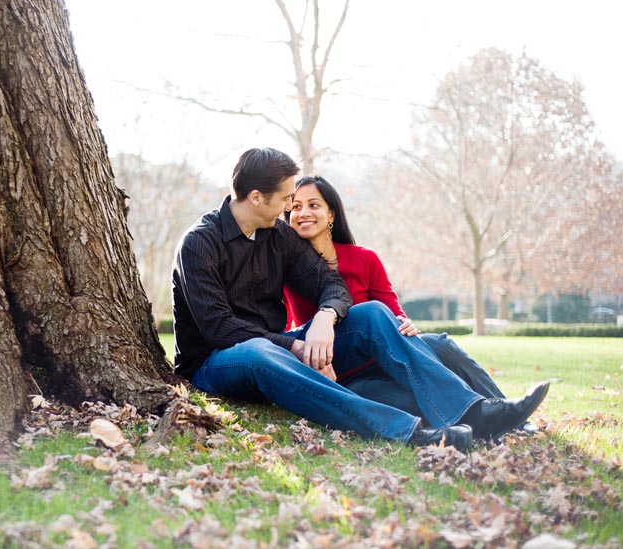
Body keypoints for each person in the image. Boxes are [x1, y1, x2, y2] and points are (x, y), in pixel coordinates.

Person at [172, 147, 548, 453]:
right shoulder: (200, 243)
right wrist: (299, 347)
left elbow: (332, 284)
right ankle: (409, 432)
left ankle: (472, 412)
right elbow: (220, 328)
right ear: (256, 198)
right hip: (216, 362)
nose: (291, 206)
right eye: (287, 198)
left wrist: (324, 317)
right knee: (257, 350)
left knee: (370, 314)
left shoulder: (279, 237)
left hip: (280, 350)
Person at [283, 175, 519, 420]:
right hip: (338, 369)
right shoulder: (284, 267)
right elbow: (282, 328)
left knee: (440, 344)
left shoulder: (364, 258)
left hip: (384, 358)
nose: (303, 213)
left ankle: (509, 413)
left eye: (313, 205)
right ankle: (473, 413)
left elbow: (393, 312)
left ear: (331, 214)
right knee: (380, 391)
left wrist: (403, 322)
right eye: (296, 207)